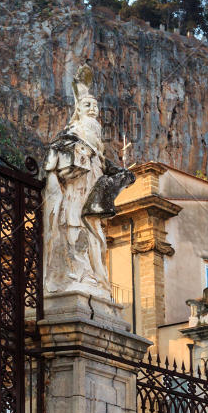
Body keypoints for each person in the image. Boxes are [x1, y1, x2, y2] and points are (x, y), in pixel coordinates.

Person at [42, 65, 134, 299]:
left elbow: (101, 162)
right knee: (74, 228)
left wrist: (116, 173)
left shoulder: (95, 139)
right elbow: (57, 156)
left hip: (90, 191)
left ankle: (92, 276)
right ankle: (76, 274)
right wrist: (80, 155)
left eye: (95, 106)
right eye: (87, 106)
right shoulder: (72, 133)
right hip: (73, 192)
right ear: (78, 111)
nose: (93, 110)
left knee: (97, 237)